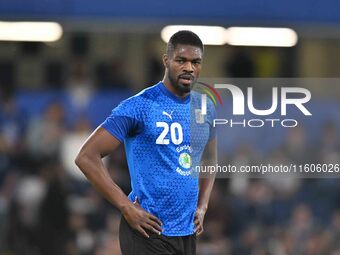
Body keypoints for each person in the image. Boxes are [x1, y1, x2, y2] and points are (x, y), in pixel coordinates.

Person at [75, 30, 217, 255]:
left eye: (195, 62)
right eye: (181, 60)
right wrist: (125, 206)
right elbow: (86, 156)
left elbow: (210, 159)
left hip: (186, 232)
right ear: (166, 60)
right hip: (147, 231)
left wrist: (202, 206)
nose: (189, 68)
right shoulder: (139, 106)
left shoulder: (205, 108)